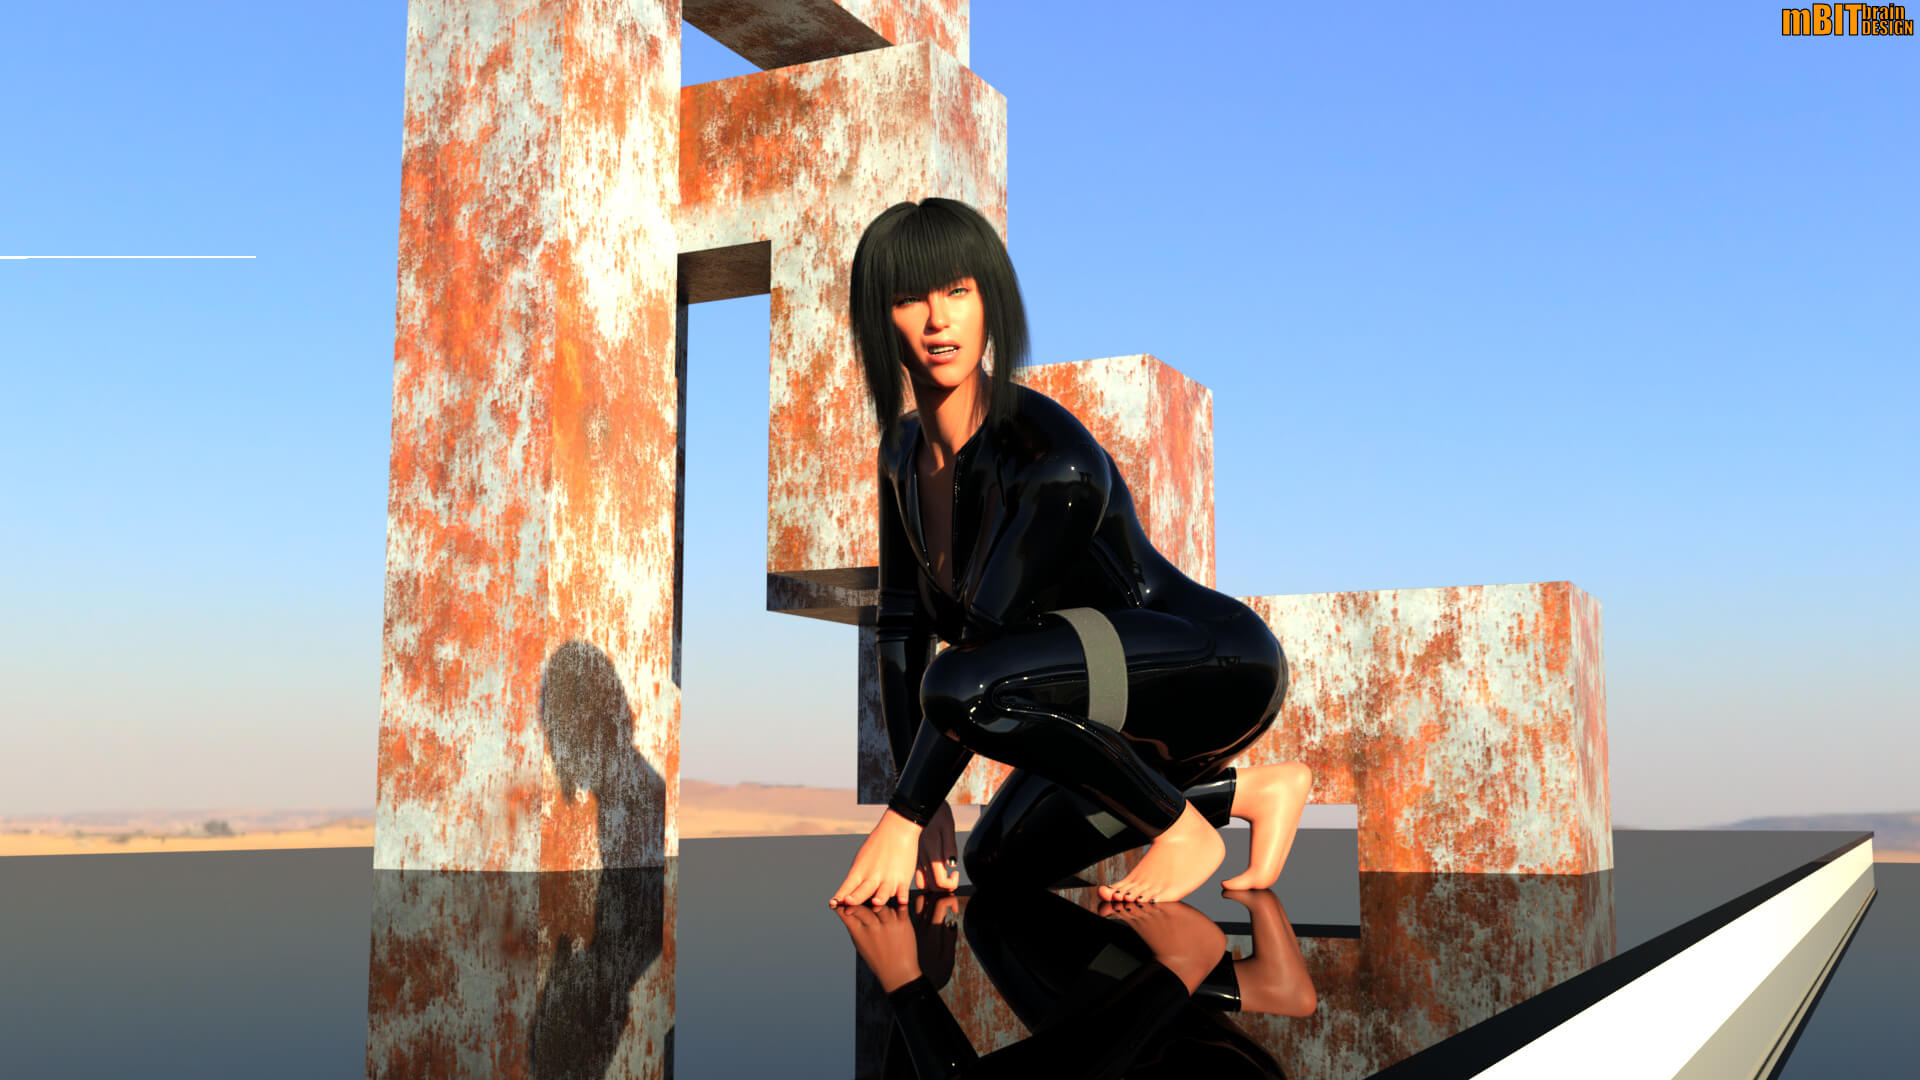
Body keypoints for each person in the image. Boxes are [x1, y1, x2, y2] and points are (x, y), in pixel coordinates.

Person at [827, 197, 1314, 908]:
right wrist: (922, 806)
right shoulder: (900, 451)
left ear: (991, 301)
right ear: (879, 317)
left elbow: (978, 654)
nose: (937, 321)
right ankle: (1250, 795)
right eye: (908, 300)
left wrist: (903, 814)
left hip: (1209, 663)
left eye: (957, 291)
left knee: (961, 682)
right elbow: (901, 625)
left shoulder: (1056, 461)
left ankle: (1184, 832)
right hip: (1092, 683)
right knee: (998, 857)